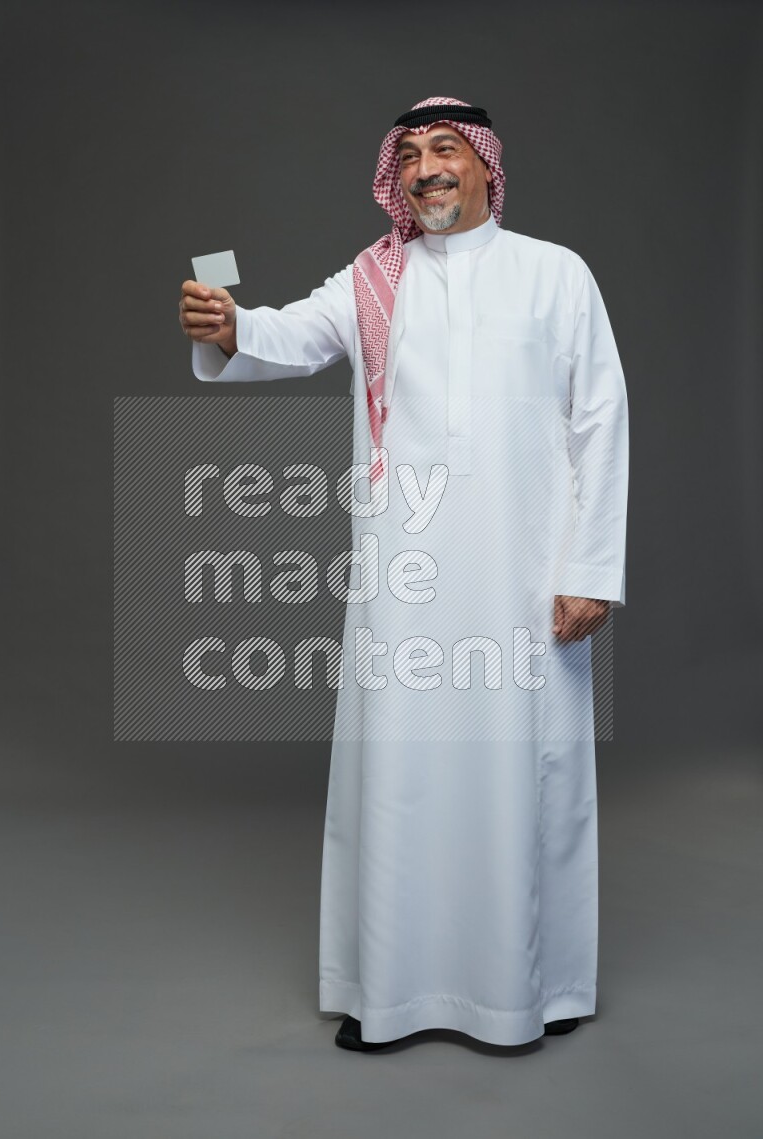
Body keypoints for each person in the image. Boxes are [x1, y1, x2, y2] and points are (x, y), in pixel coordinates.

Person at [179, 96, 629, 1051]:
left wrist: (590, 567)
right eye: (412, 154)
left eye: (446, 149)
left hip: (524, 575)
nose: (427, 169)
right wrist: (226, 325)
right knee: (402, 769)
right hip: (407, 577)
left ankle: (530, 990)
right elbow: (290, 335)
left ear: (486, 166)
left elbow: (601, 420)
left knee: (524, 771)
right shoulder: (375, 279)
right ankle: (388, 992)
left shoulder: (555, 273)